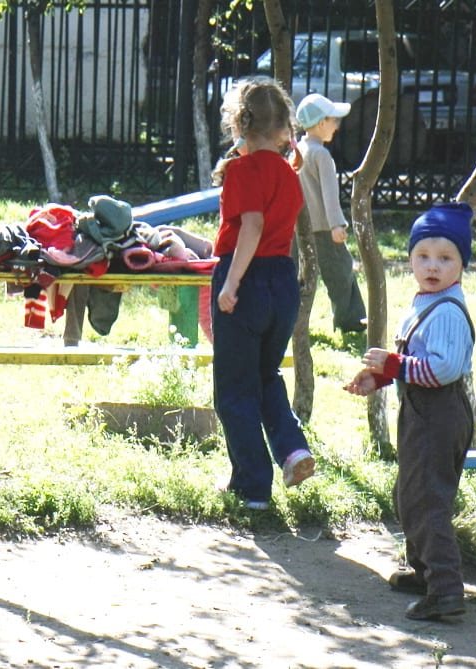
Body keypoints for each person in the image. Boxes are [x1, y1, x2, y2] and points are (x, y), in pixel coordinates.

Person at [344, 202, 475, 621]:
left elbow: (442, 369)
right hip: (422, 411)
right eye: (423, 256)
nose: (433, 266)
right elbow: (414, 361)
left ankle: (446, 589)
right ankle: (424, 571)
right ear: (411, 259)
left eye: (445, 258)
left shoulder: (448, 311)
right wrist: (382, 376)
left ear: (462, 264)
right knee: (410, 493)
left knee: (427, 499)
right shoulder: (426, 302)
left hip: (441, 415)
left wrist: (395, 365)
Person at [211, 77, 315, 511]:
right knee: (265, 374)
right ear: (284, 127)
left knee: (234, 387)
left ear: (239, 124)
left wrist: (231, 283)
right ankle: (292, 449)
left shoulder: (243, 171)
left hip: (247, 280)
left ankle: (252, 488)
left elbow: (250, 227)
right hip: (282, 282)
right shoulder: (291, 174)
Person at [295, 93, 367, 333]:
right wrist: (337, 224)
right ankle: (352, 320)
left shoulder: (297, 152)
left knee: (300, 276)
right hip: (324, 229)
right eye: (333, 120)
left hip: (297, 229)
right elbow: (329, 193)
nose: (336, 126)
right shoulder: (322, 155)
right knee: (341, 273)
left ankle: (294, 321)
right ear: (321, 123)